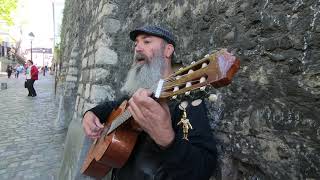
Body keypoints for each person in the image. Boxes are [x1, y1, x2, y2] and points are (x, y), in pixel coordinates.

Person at [82, 25, 218, 180]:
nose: (138, 48)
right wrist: (90, 113)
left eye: (146, 42)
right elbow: (112, 106)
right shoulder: (138, 92)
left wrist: (168, 140)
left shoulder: (186, 101)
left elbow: (203, 169)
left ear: (168, 50)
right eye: (136, 44)